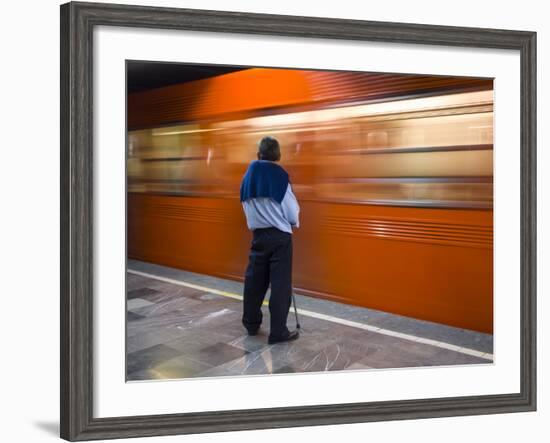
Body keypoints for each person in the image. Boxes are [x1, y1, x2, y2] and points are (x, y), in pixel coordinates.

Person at [239, 136, 300, 344]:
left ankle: (251, 324)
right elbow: (291, 212)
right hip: (280, 236)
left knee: (255, 281)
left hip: (258, 236)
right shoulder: (280, 176)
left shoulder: (247, 177)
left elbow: (245, 205)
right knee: (280, 284)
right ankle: (278, 331)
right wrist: (289, 220)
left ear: (259, 155)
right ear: (278, 156)